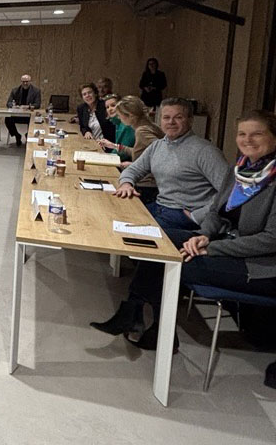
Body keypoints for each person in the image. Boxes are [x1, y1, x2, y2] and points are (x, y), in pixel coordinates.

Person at [91, 110, 276, 352]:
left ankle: (158, 331)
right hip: (224, 240)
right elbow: (217, 212)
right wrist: (204, 235)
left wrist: (212, 246)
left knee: (169, 261)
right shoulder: (240, 170)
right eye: (242, 134)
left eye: (257, 134)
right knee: (159, 240)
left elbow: (271, 240)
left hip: (259, 265)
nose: (247, 140)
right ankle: (135, 313)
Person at [113, 97, 229, 230]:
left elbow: (229, 192)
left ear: (190, 120)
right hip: (159, 207)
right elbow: (133, 169)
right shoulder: (157, 146)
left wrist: (197, 216)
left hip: (184, 216)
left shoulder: (206, 151)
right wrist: (126, 184)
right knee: (116, 219)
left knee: (131, 233)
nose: (171, 122)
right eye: (166, 117)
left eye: (178, 117)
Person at [101, 95, 164, 203]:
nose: (119, 118)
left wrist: (136, 165)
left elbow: (164, 155)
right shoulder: (149, 125)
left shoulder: (142, 131)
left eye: (120, 116)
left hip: (147, 186)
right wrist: (117, 146)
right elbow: (144, 153)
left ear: (130, 116)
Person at [5, 74, 42, 147]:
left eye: (27, 81)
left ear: (30, 81)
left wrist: (28, 106)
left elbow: (37, 104)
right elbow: (8, 103)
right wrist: (14, 106)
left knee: (34, 121)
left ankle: (28, 135)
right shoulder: (15, 90)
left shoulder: (36, 91)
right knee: (7, 119)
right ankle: (17, 135)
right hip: (17, 114)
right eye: (23, 82)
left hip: (29, 116)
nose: (25, 83)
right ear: (21, 82)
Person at [97, 94, 134, 162]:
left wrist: (105, 158)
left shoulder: (126, 125)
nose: (110, 109)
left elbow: (123, 153)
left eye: (113, 105)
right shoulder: (117, 123)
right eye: (107, 107)